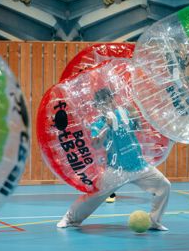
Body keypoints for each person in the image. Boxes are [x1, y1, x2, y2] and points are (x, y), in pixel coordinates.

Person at [57, 87, 171, 230]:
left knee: (164, 185)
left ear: (112, 100)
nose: (106, 105)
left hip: (139, 166)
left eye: (108, 100)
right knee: (93, 197)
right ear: (98, 106)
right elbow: (96, 144)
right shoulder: (98, 123)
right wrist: (106, 126)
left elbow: (139, 128)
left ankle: (154, 221)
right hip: (116, 170)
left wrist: (133, 111)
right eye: (101, 104)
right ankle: (70, 219)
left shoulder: (123, 114)